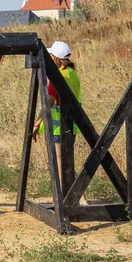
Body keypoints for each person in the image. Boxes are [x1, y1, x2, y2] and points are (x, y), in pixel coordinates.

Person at [31, 41, 87, 205]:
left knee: (61, 165)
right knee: (66, 164)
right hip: (71, 126)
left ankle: (72, 200)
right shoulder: (72, 73)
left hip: (58, 128)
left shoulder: (58, 78)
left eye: (50, 55)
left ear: (55, 58)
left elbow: (47, 104)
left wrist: (36, 125)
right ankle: (78, 198)